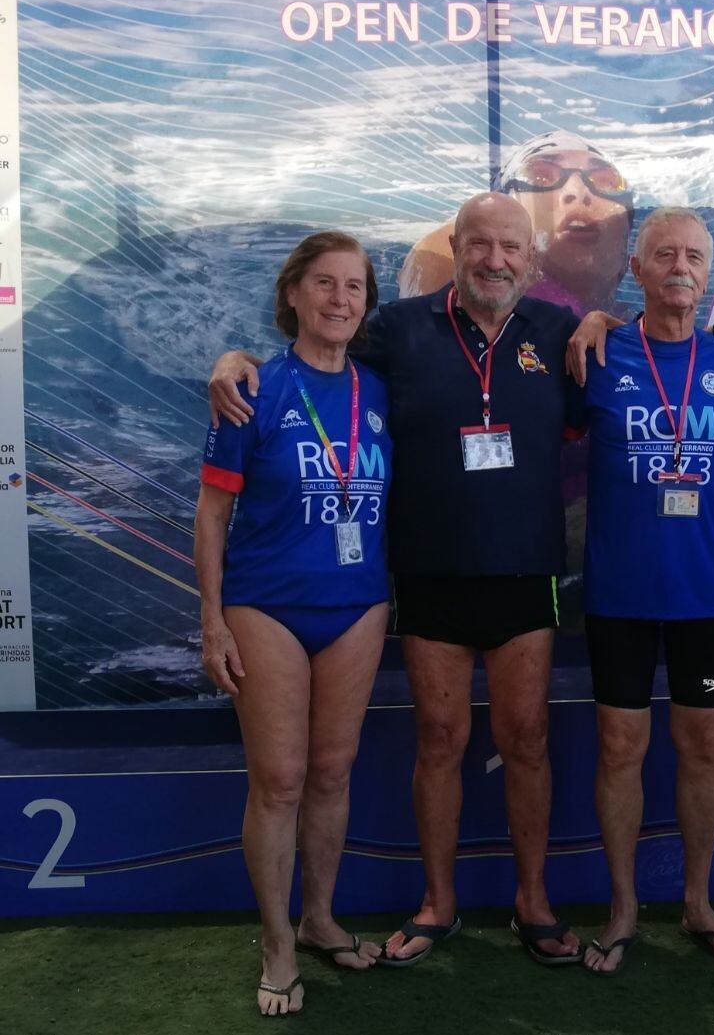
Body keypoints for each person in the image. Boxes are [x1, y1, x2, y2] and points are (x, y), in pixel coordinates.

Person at [208, 194, 586, 969]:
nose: (495, 260)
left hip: (526, 572)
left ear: (531, 257)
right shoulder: (399, 327)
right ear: (456, 246)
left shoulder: (559, 330)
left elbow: (643, 354)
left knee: (527, 739)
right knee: (439, 741)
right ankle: (437, 903)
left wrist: (654, 324)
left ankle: (534, 902)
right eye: (479, 243)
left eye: (511, 246)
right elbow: (315, 353)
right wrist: (233, 358)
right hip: (427, 572)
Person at [195, 231, 391, 1016]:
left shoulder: (380, 392)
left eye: (354, 286)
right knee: (279, 779)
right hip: (266, 605)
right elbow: (213, 513)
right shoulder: (252, 388)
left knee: (333, 771)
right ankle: (276, 941)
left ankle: (319, 918)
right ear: (292, 294)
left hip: (359, 605)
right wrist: (212, 621)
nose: (340, 299)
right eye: (324, 283)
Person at [578, 207, 714, 975]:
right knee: (621, 746)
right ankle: (623, 907)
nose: (680, 267)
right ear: (636, 269)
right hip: (618, 592)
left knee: (703, 744)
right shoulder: (596, 351)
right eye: (664, 254)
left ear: (709, 274)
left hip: (703, 594)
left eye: (694, 256)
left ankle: (697, 900)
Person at [398, 131, 634, 314]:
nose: (577, 191)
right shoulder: (446, 253)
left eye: (606, 181)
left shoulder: (627, 330)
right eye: (541, 176)